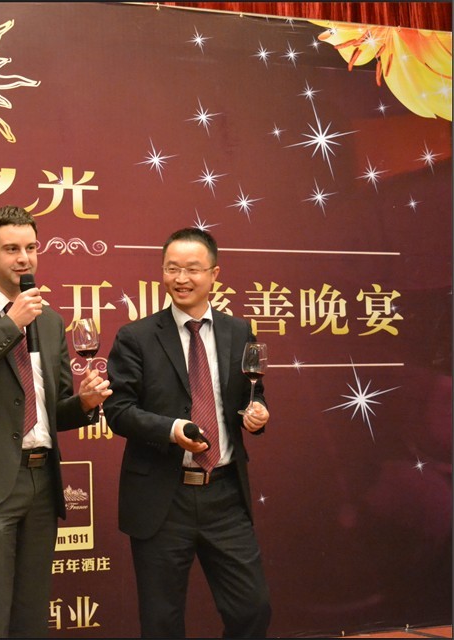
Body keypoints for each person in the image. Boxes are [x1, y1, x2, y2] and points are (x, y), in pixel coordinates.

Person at [0, 205, 112, 638]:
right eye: (11, 249)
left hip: (41, 480)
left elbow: (53, 411)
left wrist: (85, 403)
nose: (24, 258)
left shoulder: (49, 320)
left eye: (31, 248)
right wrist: (10, 323)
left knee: (32, 616)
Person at [103, 227, 272, 638]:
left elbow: (252, 394)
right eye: (172, 268)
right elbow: (118, 411)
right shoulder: (136, 337)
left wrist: (257, 413)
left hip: (225, 495)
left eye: (192, 269)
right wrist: (171, 430)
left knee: (252, 609)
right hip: (163, 497)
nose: (181, 279)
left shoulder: (239, 331)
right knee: (161, 622)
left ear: (214, 274)